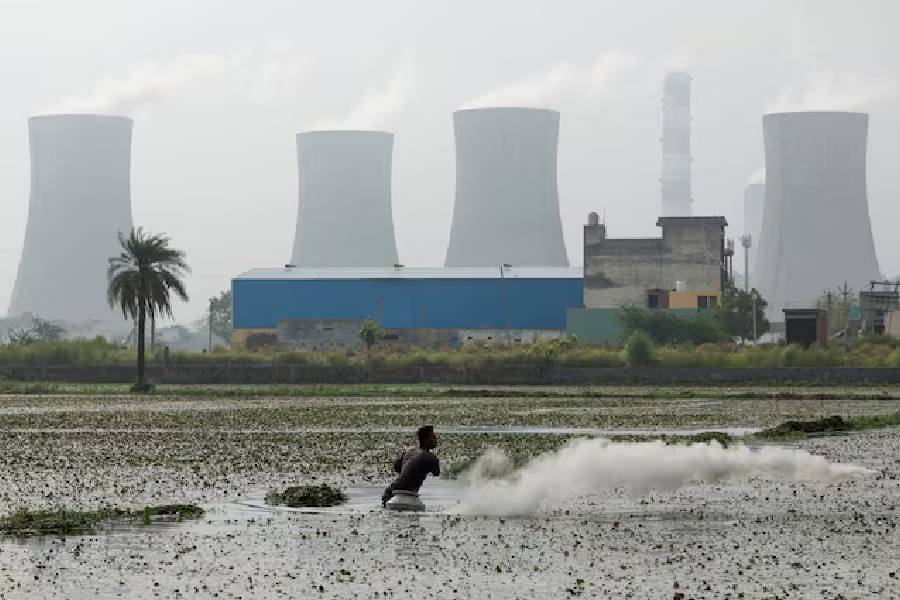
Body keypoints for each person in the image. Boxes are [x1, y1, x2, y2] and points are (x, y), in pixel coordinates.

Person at [382, 425, 440, 507]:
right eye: (433, 437)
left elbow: (397, 468)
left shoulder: (408, 450)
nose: (436, 440)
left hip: (390, 493)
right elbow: (437, 473)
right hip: (409, 498)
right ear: (426, 440)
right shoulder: (431, 458)